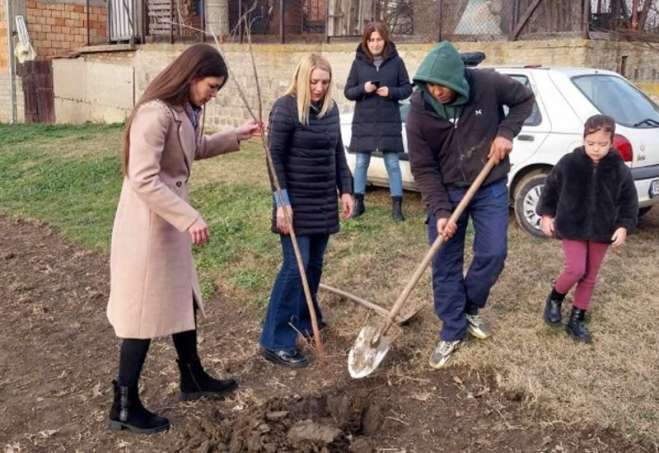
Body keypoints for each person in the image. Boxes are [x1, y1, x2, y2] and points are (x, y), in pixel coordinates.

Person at [106, 44, 261, 433]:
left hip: (168, 225)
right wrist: (188, 216)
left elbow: (194, 151)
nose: (214, 94)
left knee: (182, 300)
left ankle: (192, 377)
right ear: (192, 76)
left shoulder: (182, 112)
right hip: (147, 228)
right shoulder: (153, 114)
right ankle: (123, 405)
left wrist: (235, 134)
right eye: (212, 85)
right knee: (140, 316)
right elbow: (143, 178)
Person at [406, 41, 534, 369]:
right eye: (431, 85)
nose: (437, 91)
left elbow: (523, 100)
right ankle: (452, 329)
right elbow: (423, 168)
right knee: (444, 261)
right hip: (445, 190)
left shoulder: (487, 83)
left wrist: (506, 132)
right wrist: (441, 212)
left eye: (443, 86)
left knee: (493, 252)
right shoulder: (419, 110)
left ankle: (470, 306)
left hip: (487, 184)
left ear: (459, 80)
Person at [259, 54, 354, 368]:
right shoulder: (285, 108)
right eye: (313, 81)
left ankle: (303, 320)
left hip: (323, 201)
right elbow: (274, 159)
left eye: (324, 82)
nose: (319, 87)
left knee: (313, 265)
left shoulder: (329, 109)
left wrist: (347, 189)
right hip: (295, 204)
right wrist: (282, 204)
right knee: (294, 267)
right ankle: (275, 340)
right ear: (302, 79)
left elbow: (338, 151)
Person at [537, 114, 638, 343]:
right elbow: (550, 190)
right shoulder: (568, 163)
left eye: (602, 145)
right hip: (572, 225)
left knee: (590, 276)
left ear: (611, 142)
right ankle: (555, 298)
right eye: (591, 143)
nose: (596, 149)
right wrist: (546, 215)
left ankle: (577, 318)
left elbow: (629, 201)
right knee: (575, 269)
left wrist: (623, 226)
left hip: (602, 230)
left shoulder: (619, 169)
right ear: (583, 139)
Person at [344, 21, 412, 221]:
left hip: (388, 120)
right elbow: (348, 91)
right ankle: (359, 204)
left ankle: (397, 207)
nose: (375, 44)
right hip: (364, 120)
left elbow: (407, 88)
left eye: (379, 39)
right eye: (371, 40)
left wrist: (391, 92)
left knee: (392, 163)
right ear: (366, 42)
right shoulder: (358, 63)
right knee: (361, 162)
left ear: (385, 40)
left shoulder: (397, 62)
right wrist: (363, 89)